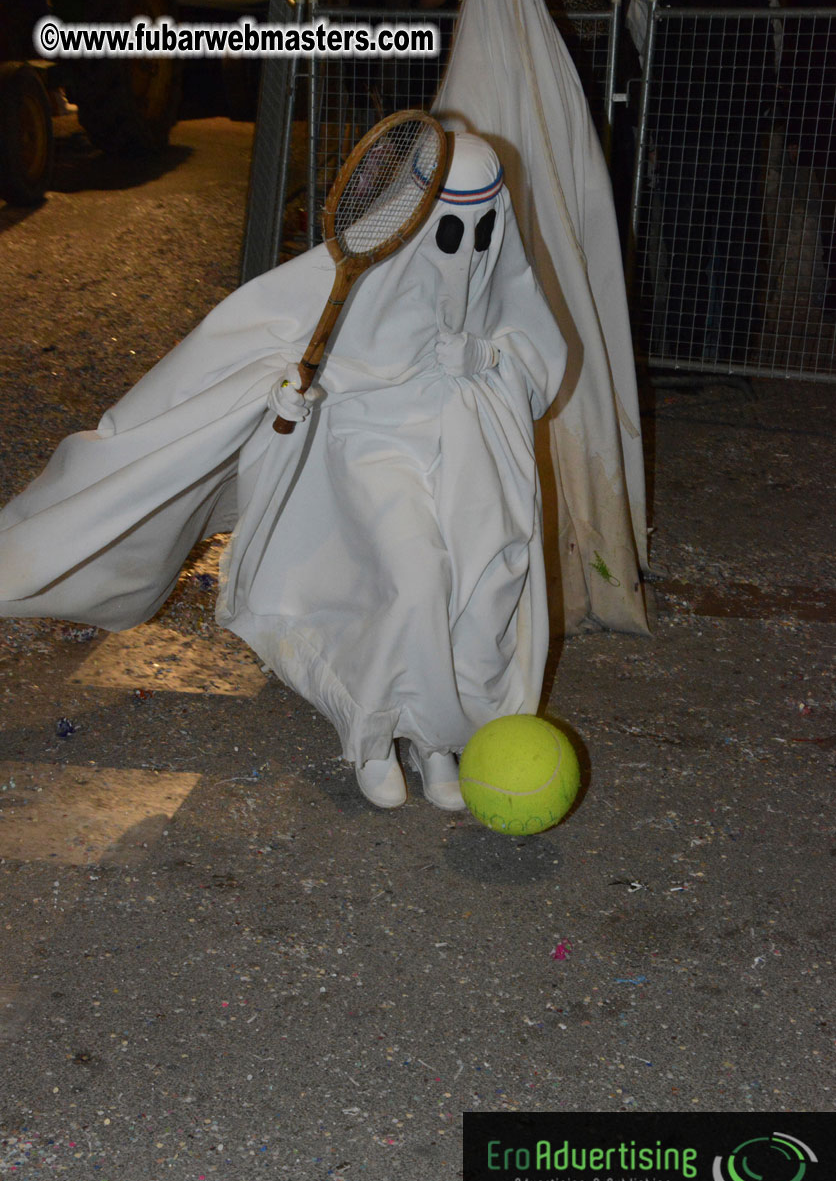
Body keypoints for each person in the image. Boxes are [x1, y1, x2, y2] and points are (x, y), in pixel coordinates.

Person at [0, 133, 568, 811]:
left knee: (474, 592)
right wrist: (287, 397)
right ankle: (372, 734)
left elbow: (535, 364)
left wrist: (485, 365)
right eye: (447, 227)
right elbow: (254, 351)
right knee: (414, 575)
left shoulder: (499, 280)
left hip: (467, 453)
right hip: (371, 442)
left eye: (480, 229)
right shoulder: (349, 271)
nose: (464, 250)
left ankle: (437, 738)